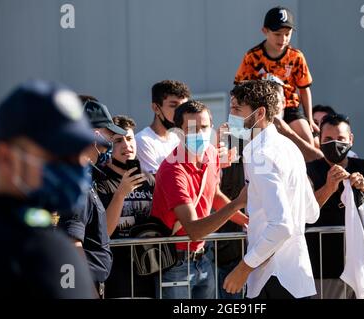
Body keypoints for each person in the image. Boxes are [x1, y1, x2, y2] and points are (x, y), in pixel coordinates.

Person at [0, 80, 96, 298]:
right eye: (61, 154)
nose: (78, 165)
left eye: (80, 154)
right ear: (5, 157)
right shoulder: (35, 246)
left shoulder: (47, 240)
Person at [223, 80, 320, 299]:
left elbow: (282, 226)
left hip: (274, 278)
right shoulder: (289, 147)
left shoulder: (258, 154)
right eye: (231, 109)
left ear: (259, 114)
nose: (232, 116)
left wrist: (244, 267)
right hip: (295, 276)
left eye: (237, 109)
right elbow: (311, 213)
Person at [151, 100, 249, 299]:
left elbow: (214, 196)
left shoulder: (211, 154)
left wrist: (247, 222)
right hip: (174, 264)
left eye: (204, 127)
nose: (199, 133)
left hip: (204, 257)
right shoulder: (172, 170)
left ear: (211, 127)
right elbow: (194, 230)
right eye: (191, 128)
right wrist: (238, 203)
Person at [305, 113, 364, 299]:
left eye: (341, 139)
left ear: (350, 140)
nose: (335, 144)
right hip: (323, 268)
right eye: (328, 139)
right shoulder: (308, 170)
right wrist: (328, 187)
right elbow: (304, 212)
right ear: (319, 140)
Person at [58, 98, 127, 298]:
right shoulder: (77, 183)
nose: (112, 140)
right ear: (95, 135)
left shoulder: (82, 177)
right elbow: (72, 244)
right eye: (110, 134)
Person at [234, 6, 317, 147]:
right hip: (260, 107)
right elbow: (240, 88)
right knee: (242, 141)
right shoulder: (252, 57)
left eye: (287, 34)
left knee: (307, 139)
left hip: (290, 106)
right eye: (277, 34)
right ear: (265, 31)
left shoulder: (296, 57)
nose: (283, 39)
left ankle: (305, 169)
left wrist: (310, 119)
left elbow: (304, 89)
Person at [94, 115, 155, 298]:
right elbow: (105, 230)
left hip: (148, 271)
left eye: (129, 139)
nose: (126, 145)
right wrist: (121, 193)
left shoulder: (148, 179)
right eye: (118, 140)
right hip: (116, 275)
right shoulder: (99, 180)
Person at [136, 80, 191, 174]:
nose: (181, 112)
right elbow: (159, 183)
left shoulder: (181, 138)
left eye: (184, 107)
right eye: (174, 105)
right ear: (156, 108)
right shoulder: (142, 140)